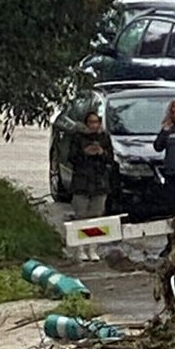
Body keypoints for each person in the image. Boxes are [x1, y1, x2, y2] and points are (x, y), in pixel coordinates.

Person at [69, 111, 115, 262]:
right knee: (81, 215)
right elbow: (71, 158)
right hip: (81, 182)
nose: (94, 125)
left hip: (99, 182)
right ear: (86, 123)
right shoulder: (77, 137)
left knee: (96, 216)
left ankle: (93, 248)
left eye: (96, 122)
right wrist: (85, 153)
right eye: (91, 122)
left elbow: (111, 159)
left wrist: (101, 153)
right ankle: (80, 248)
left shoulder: (104, 137)